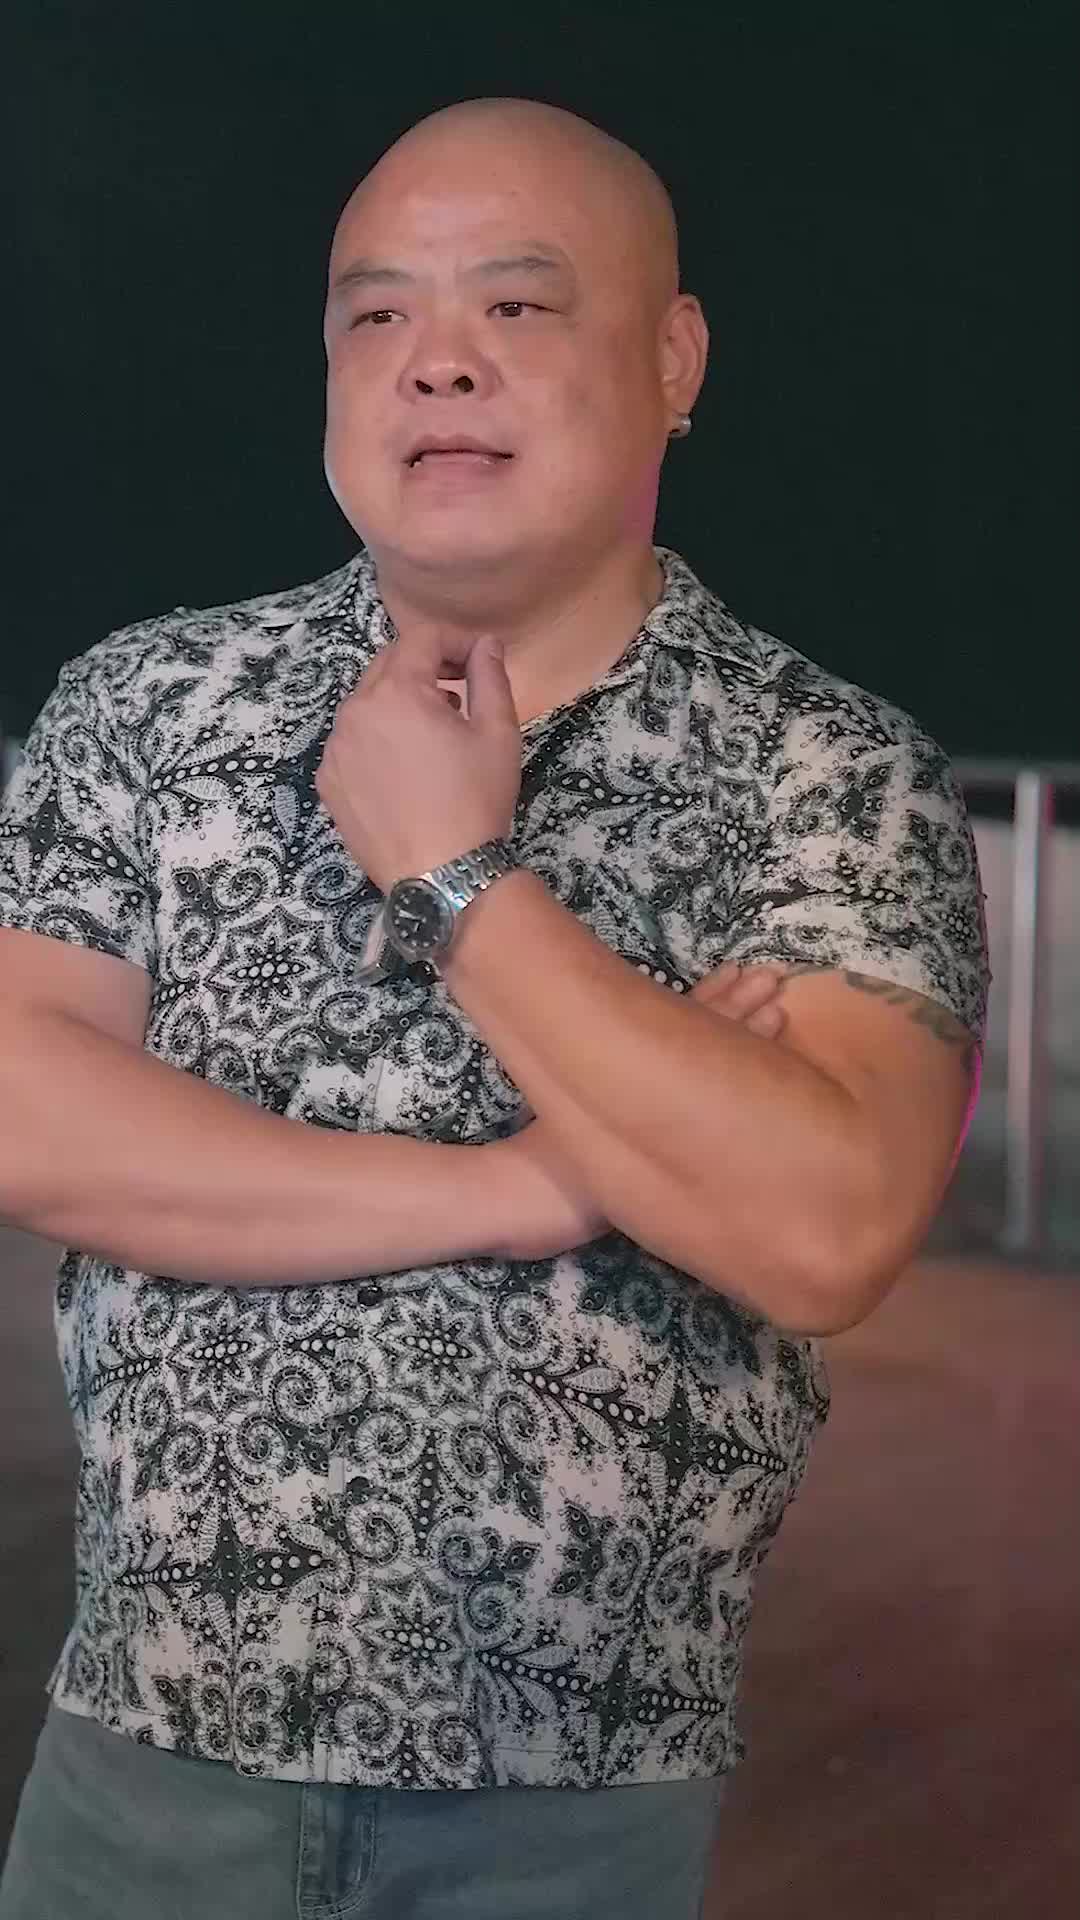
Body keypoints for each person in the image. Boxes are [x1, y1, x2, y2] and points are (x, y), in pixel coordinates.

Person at [0, 96, 989, 1920]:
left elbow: (826, 1224)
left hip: (576, 1797)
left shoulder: (829, 770)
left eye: (517, 307)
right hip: (140, 1751)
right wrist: (544, 1182)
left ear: (674, 360)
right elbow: (28, 1115)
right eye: (377, 315)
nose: (436, 360)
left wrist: (458, 880)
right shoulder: (147, 707)